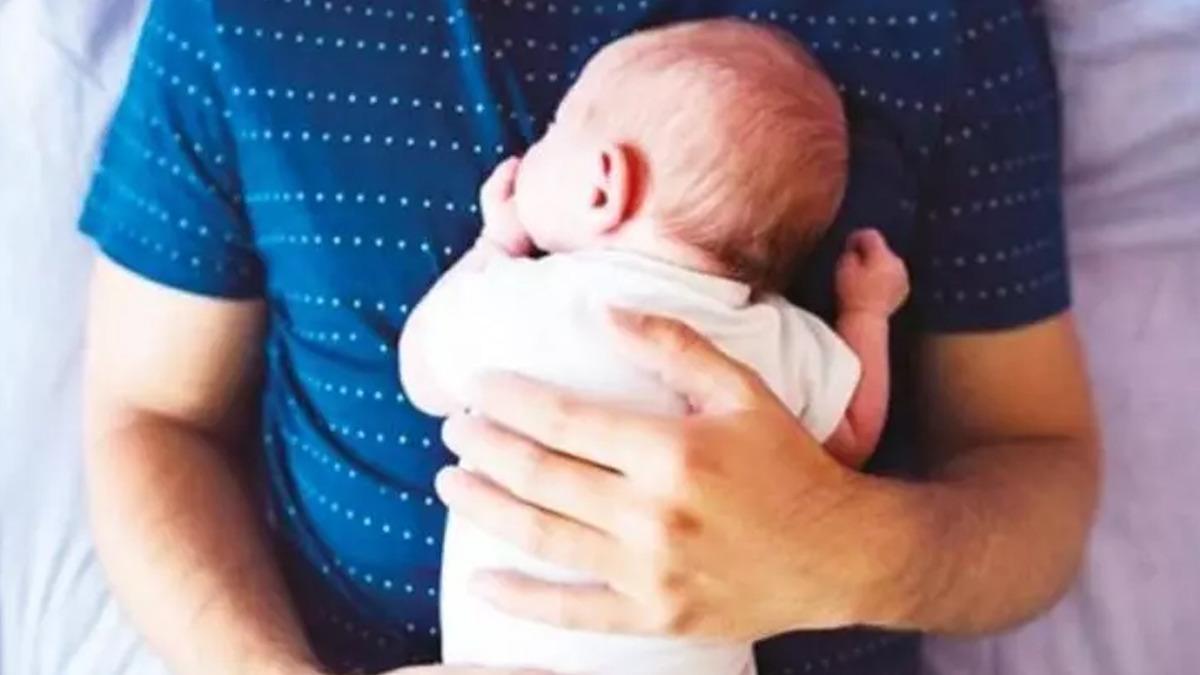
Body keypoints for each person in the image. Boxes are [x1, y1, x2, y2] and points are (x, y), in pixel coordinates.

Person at [79, 2, 1099, 674]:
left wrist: (839, 552)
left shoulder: (937, 20)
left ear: (603, 182)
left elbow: (1036, 462)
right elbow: (151, 418)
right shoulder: (243, 17)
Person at [400, 20, 909, 674]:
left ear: (602, 186)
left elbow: (421, 373)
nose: (534, 149)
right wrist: (867, 311)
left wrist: (492, 246)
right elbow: (851, 436)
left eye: (554, 131)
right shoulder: (771, 337)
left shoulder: (524, 298)